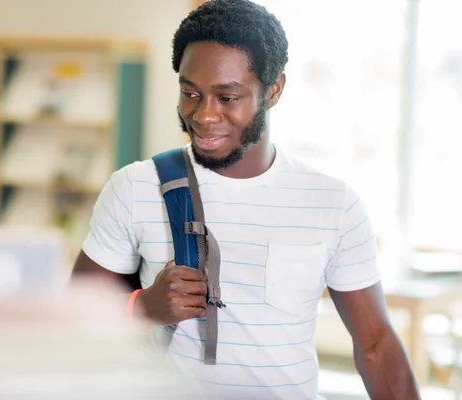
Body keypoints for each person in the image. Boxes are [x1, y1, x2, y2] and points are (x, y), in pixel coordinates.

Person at [71, 0, 421, 398]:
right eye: (191, 92)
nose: (203, 115)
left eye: (228, 97)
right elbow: (71, 321)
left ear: (273, 91)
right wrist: (144, 307)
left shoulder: (333, 203)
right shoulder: (135, 187)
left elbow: (375, 345)